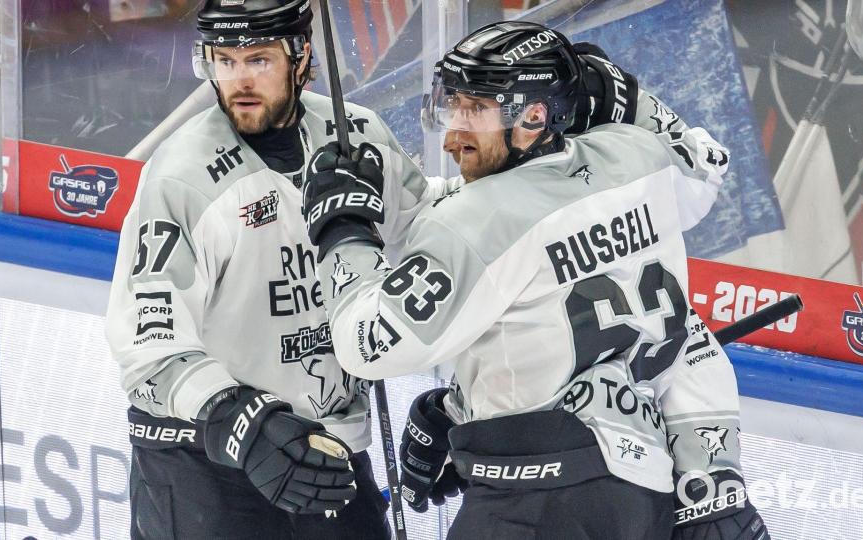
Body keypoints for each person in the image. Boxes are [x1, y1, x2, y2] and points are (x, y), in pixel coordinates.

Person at [302, 21, 769, 539]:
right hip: (642, 494)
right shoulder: (639, 159)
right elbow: (707, 162)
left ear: (533, 116)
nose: (454, 137)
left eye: (476, 111)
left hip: (534, 504)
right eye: (452, 107)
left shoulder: (474, 225)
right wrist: (619, 90)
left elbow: (366, 343)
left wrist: (341, 231)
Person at [104, 1, 451, 538]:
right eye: (225, 60)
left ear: (301, 54)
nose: (239, 79)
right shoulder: (182, 177)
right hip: (206, 458)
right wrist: (240, 420)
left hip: (325, 441)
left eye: (259, 60)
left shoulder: (357, 136)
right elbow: (149, 346)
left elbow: (433, 235)